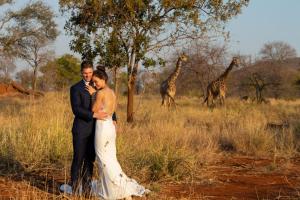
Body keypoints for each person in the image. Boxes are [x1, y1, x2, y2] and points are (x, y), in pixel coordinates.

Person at [88, 66, 149, 199]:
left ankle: (113, 191)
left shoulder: (100, 93)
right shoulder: (112, 92)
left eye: (96, 81)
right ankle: (122, 188)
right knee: (110, 158)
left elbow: (94, 109)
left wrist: (93, 94)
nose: (94, 84)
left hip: (102, 127)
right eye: (93, 82)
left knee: (103, 158)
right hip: (110, 125)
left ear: (103, 79)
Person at [60, 61, 117, 196]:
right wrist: (94, 114)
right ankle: (74, 190)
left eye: (90, 73)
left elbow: (107, 102)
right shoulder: (75, 88)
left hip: (97, 131)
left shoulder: (98, 86)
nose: (88, 76)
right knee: (78, 159)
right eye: (85, 73)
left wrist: (114, 118)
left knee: (89, 161)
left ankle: (86, 190)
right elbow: (76, 109)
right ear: (81, 73)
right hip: (81, 130)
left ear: (93, 72)